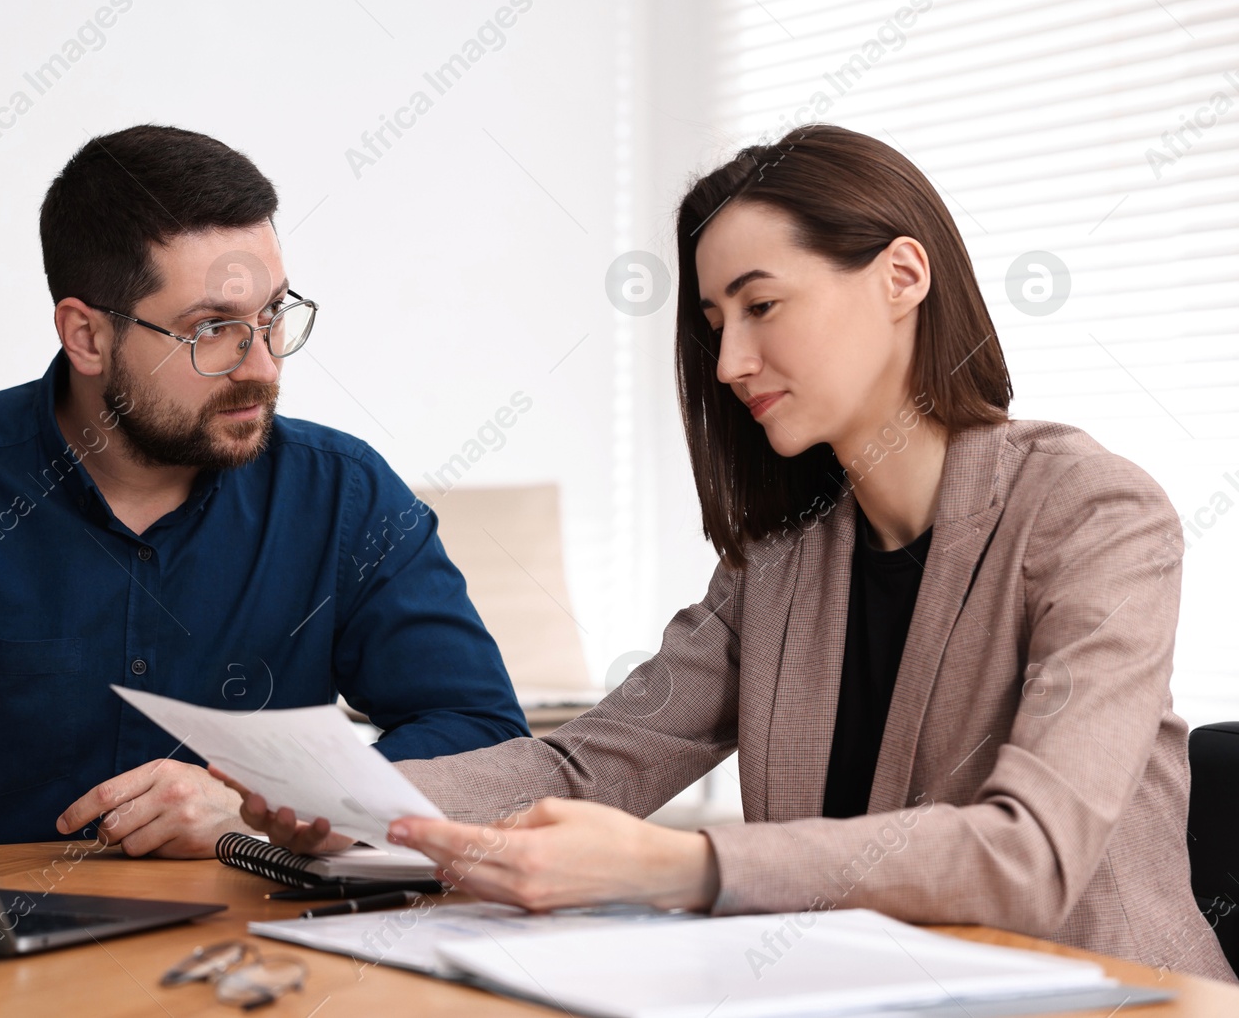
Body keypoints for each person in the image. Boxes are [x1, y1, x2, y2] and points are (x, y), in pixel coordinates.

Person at [223, 124, 1236, 982]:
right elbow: (585, 762)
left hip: (1107, 995)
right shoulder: (783, 561)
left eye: (761, 305)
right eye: (713, 322)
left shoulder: (1094, 515)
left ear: (900, 275)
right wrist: (359, 804)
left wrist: (675, 864)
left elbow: (1031, 852)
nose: (728, 362)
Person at [0, 124, 529, 857]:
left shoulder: (344, 495)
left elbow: (483, 734)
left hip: (259, 951)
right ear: (87, 336)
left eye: (270, 316)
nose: (262, 366)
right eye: (212, 331)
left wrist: (268, 801)